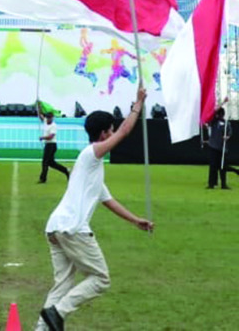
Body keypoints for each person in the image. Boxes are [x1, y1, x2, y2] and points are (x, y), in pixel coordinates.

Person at [34, 85, 153, 331]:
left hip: (56, 227)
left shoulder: (91, 167)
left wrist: (135, 220)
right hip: (72, 228)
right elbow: (125, 130)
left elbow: (108, 201)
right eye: (110, 131)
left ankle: (42, 328)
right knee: (100, 279)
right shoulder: (91, 155)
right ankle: (58, 312)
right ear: (102, 135)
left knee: (62, 286)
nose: (113, 134)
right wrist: (138, 104)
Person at [205, 107, 239, 189]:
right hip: (213, 146)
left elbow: (230, 133)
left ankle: (223, 184)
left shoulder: (226, 124)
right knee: (213, 166)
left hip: (222, 148)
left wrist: (227, 137)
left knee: (222, 166)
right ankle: (212, 184)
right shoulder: (214, 122)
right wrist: (223, 103)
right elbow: (210, 115)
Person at [38, 110, 71, 184]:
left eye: (49, 118)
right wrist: (39, 105)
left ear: (52, 118)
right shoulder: (46, 121)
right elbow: (41, 116)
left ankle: (43, 179)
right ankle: (66, 170)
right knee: (51, 163)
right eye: (47, 117)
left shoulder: (54, 126)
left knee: (45, 162)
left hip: (51, 145)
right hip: (48, 145)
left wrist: (42, 138)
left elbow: (51, 137)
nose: (48, 119)